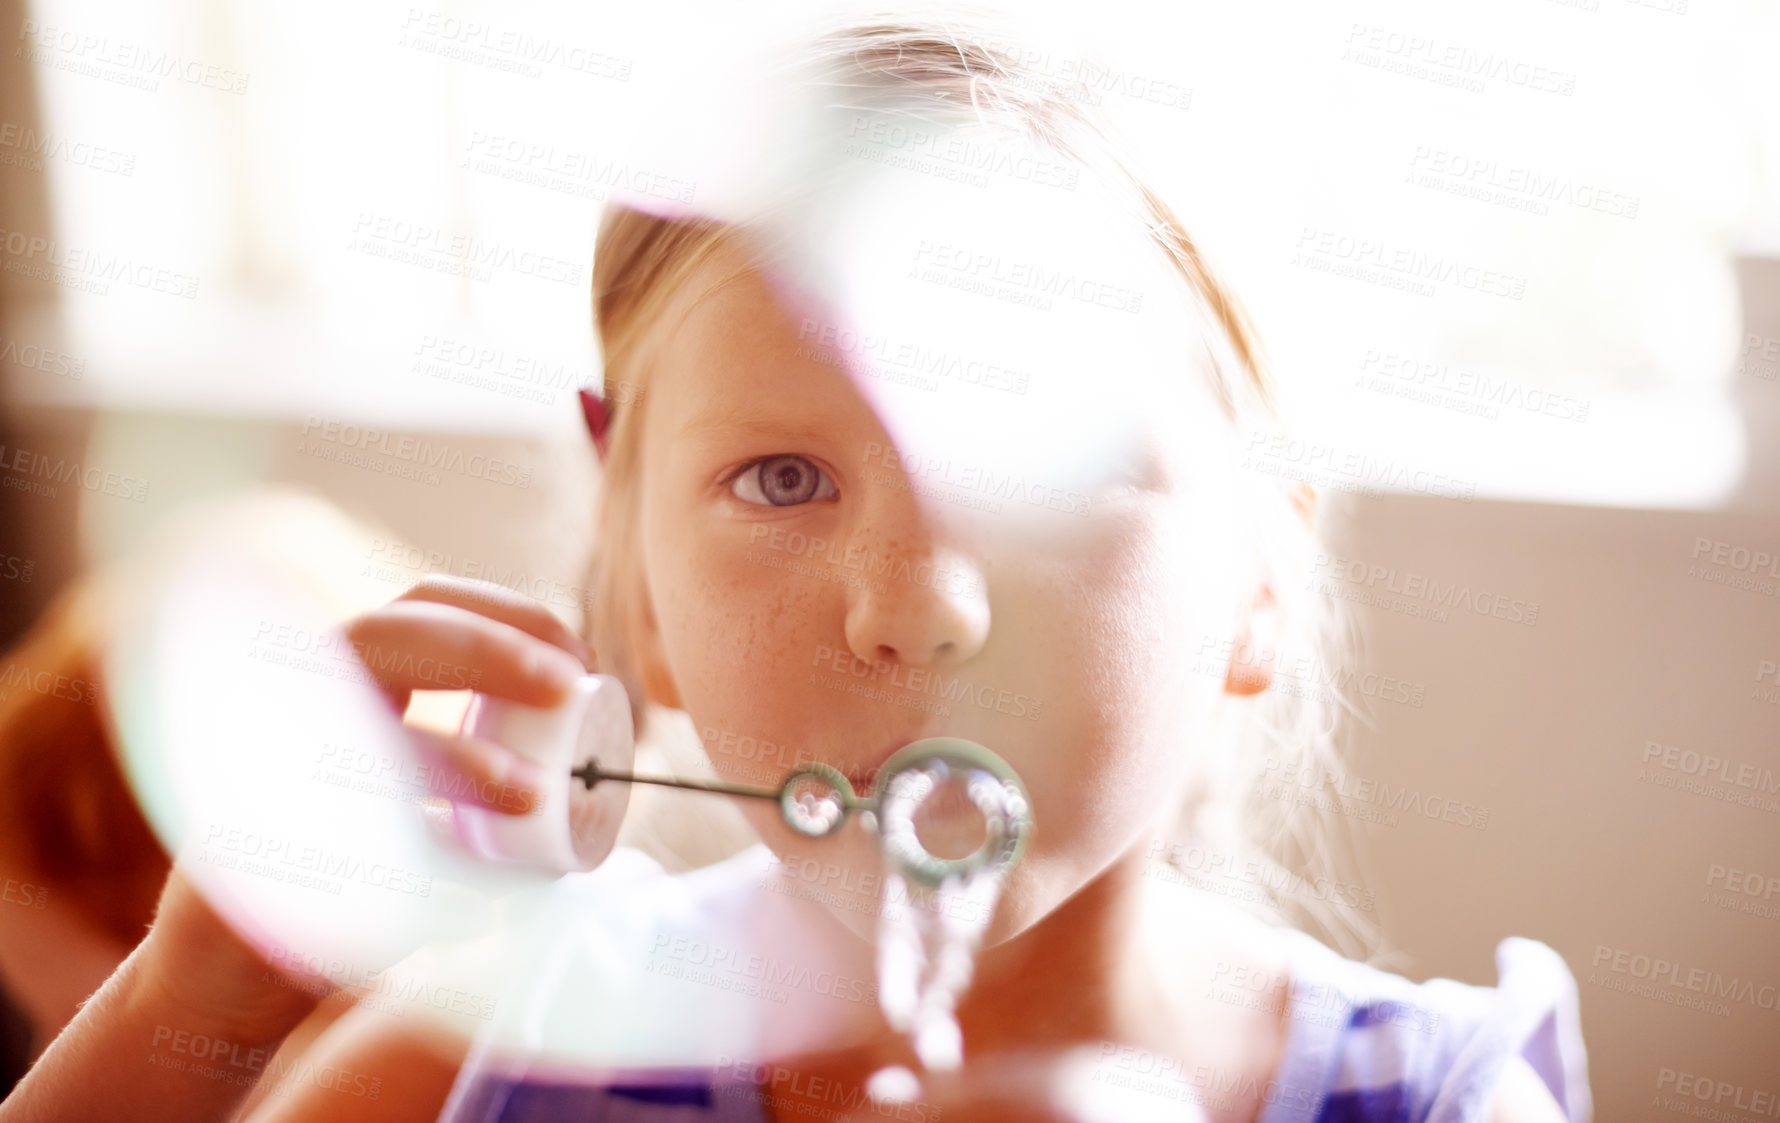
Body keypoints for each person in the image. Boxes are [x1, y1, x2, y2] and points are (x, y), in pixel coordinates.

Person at [4, 14, 1591, 1123]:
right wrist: (189, 1017)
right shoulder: (489, 1051)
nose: (914, 607)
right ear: (639, 572)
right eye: (781, 479)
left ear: (1256, 579)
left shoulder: (1435, 1101)